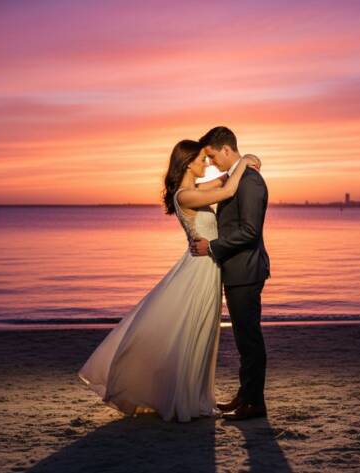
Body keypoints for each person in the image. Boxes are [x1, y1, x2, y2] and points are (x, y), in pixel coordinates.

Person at [78, 138, 260, 422]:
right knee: (192, 330)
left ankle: (195, 395)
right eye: (202, 160)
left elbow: (225, 179)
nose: (207, 164)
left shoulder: (195, 189)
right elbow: (227, 190)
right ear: (188, 164)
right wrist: (245, 161)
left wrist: (242, 161)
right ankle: (183, 398)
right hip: (199, 271)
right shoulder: (184, 196)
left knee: (202, 333)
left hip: (209, 268)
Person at [190, 126, 270, 421]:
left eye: (212, 157)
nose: (211, 163)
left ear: (226, 149)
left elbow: (249, 231)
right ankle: (246, 394)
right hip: (237, 270)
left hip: (246, 270)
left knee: (249, 339)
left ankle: (255, 403)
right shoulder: (237, 177)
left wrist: (211, 247)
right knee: (243, 338)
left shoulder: (250, 181)